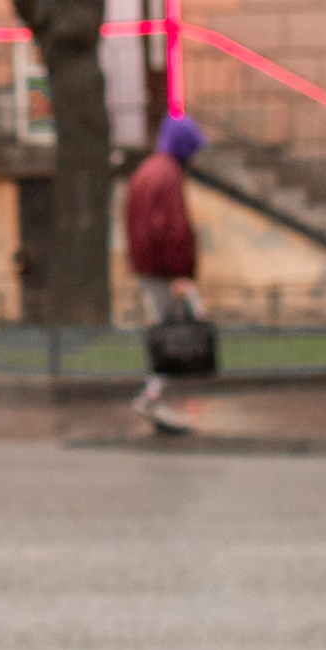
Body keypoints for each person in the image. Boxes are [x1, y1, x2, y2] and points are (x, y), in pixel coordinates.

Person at [123, 111, 207, 437]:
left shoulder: (147, 171)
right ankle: (153, 397)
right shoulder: (168, 175)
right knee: (175, 337)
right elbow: (172, 228)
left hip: (148, 267)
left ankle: (157, 398)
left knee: (166, 334)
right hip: (164, 271)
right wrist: (181, 273)